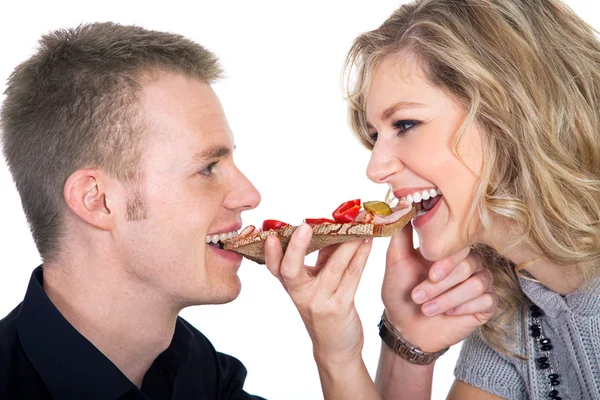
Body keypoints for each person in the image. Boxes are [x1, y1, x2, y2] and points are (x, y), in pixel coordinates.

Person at [0, 21, 497, 399]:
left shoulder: (201, 377)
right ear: (97, 200)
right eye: (208, 168)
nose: (249, 195)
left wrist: (383, 344)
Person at [267, 0, 600, 399]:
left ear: (510, 112)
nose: (375, 170)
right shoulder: (517, 315)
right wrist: (387, 346)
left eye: (405, 124)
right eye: (375, 136)